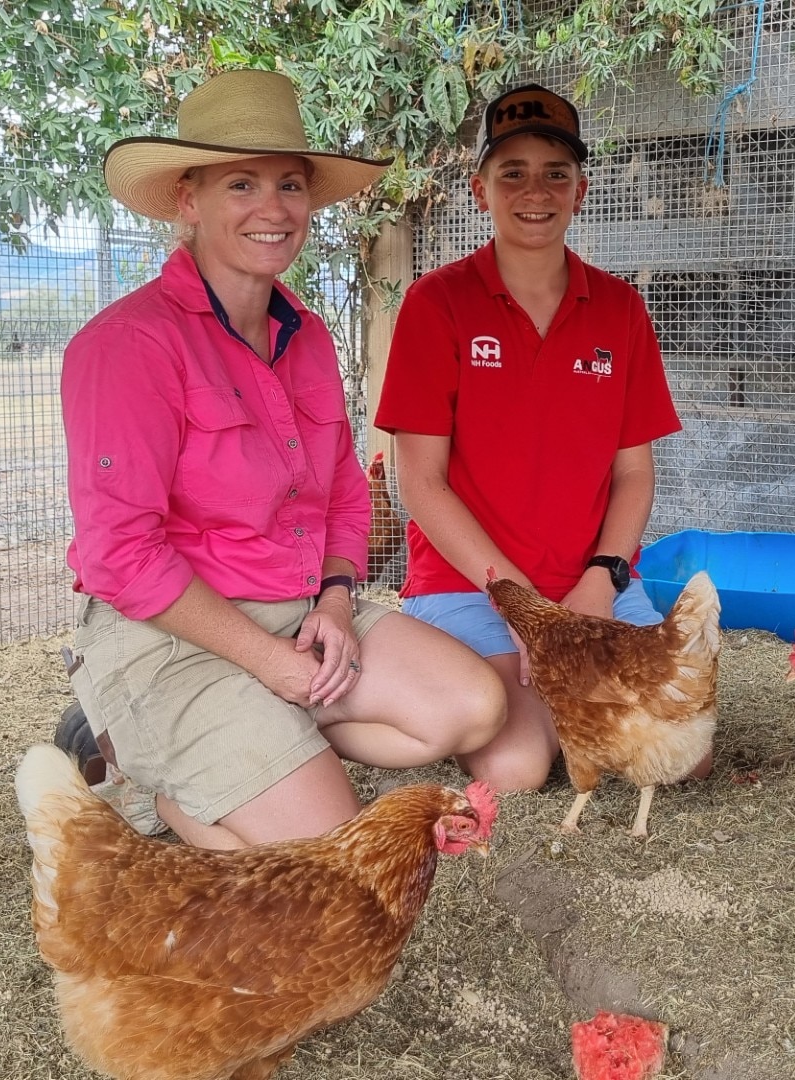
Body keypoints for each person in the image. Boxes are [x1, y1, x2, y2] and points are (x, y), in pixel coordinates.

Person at [56, 69, 506, 850]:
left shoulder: (308, 337)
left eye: (290, 185)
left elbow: (341, 493)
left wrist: (334, 604)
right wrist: (266, 661)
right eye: (241, 184)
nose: (274, 208)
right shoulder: (128, 345)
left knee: (471, 706)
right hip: (174, 636)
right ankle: (150, 782)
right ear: (188, 202)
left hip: (299, 611)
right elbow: (121, 557)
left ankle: (263, 742)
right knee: (330, 857)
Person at [375, 83, 705, 793]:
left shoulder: (620, 309)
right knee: (517, 766)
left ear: (581, 192)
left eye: (556, 173)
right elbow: (419, 483)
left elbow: (635, 476)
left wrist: (602, 580)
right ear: (479, 190)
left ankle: (569, 694)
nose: (536, 190)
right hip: (471, 587)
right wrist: (524, 609)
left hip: (590, 586)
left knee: (682, 758)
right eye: (512, 172)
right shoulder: (437, 304)